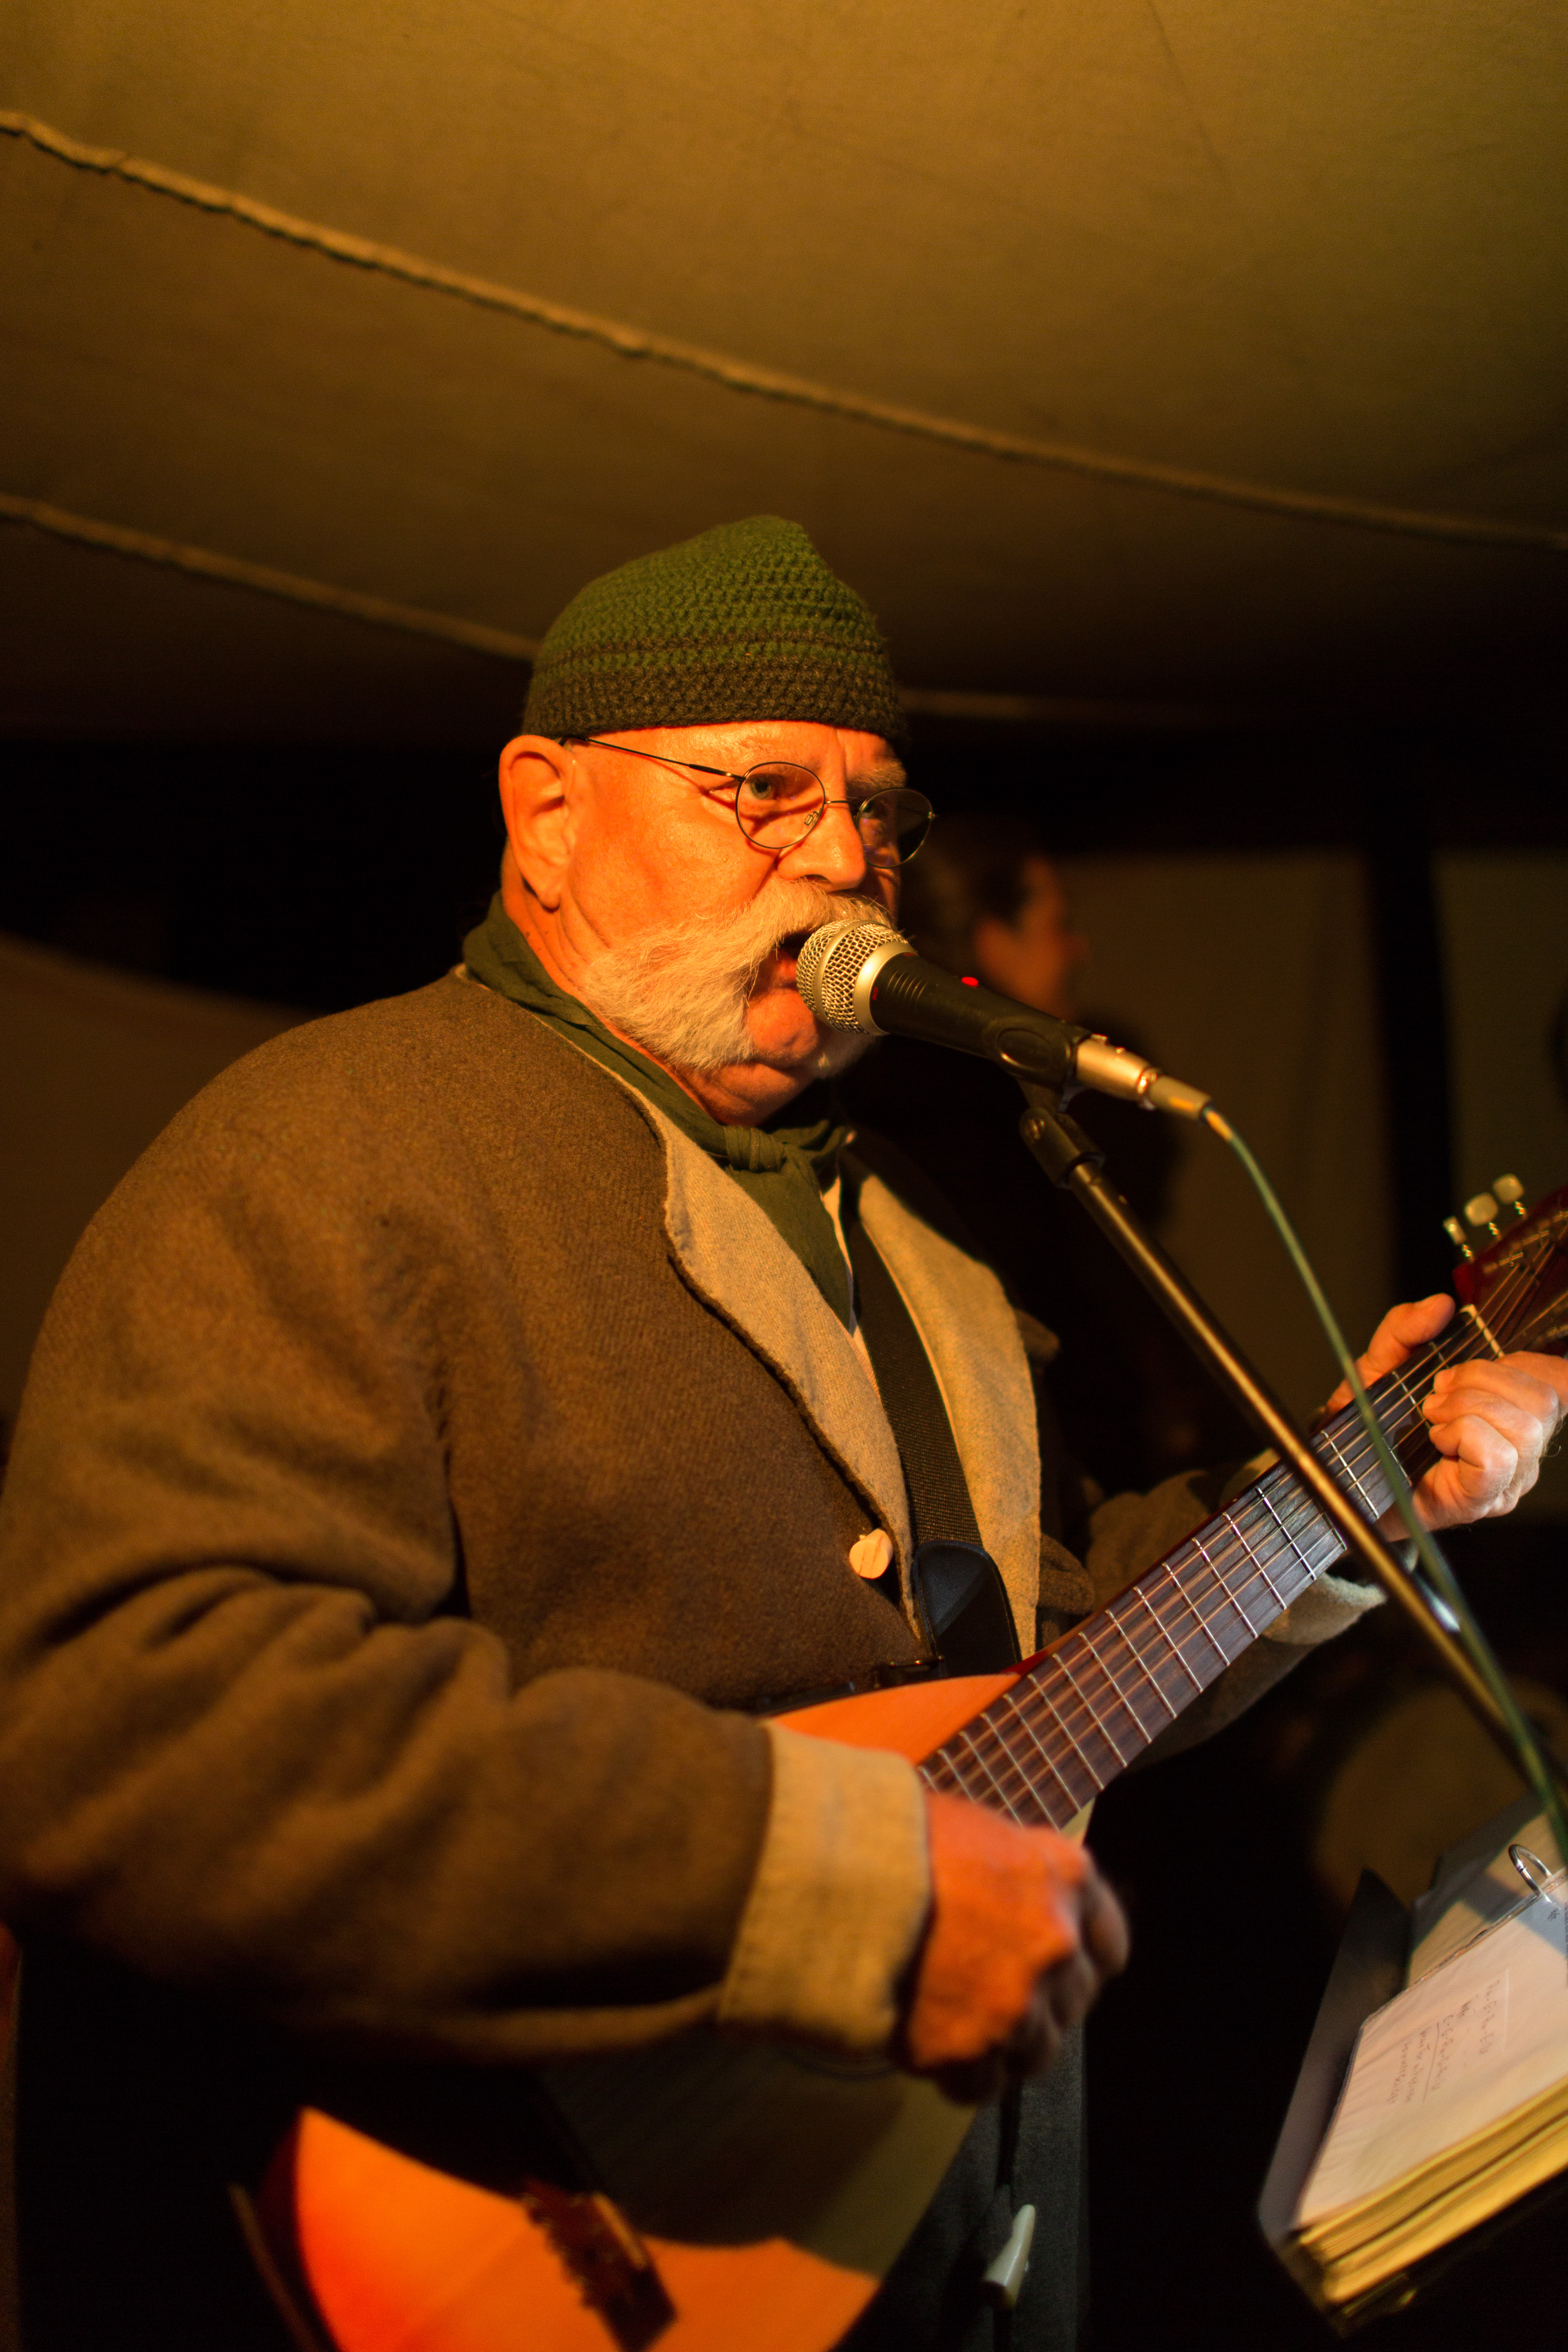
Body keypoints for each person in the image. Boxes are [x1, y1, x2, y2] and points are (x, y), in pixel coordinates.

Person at [0, 517, 1561, 2352]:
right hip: (524, 2240)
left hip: (941, 2250)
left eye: (878, 809)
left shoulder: (919, 1236)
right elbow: (132, 1716)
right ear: (547, 814)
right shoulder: (332, 1151)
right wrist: (814, 1877)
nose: (843, 859)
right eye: (764, 792)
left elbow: (1042, 1656)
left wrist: (1365, 1487)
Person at [841, 817, 1254, 1494]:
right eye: (1059, 925)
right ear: (993, 941)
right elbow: (1069, 1334)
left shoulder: (921, 1100)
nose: (1079, 949)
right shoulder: (976, 1114)